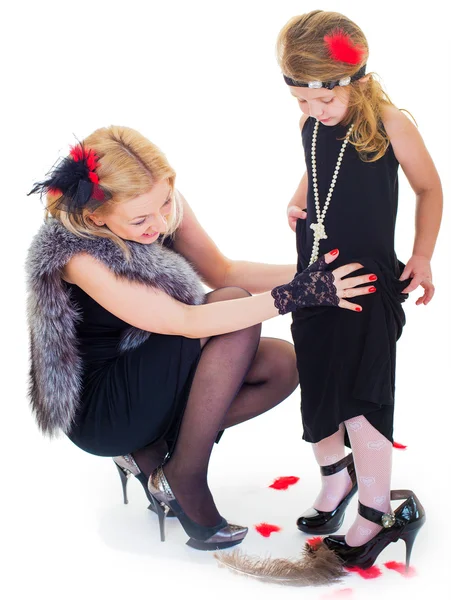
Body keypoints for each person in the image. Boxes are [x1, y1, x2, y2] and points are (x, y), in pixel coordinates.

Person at [26, 125, 376, 552]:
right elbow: (185, 322)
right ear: (97, 216)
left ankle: (156, 454)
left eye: (166, 203)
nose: (159, 222)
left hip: (157, 370)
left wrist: (316, 272)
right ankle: (185, 475)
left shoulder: (154, 200)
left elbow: (224, 271)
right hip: (104, 406)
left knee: (281, 364)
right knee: (231, 310)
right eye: (141, 220)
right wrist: (296, 296)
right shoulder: (76, 254)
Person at [277, 9, 442, 569]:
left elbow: (429, 189)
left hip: (368, 281)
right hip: (314, 276)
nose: (313, 111)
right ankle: (336, 479)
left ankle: (376, 511)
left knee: (363, 398)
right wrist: (299, 199)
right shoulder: (310, 125)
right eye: (302, 101)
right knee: (320, 386)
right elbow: (315, 169)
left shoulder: (390, 123)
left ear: (360, 81)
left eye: (323, 101)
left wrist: (421, 255)